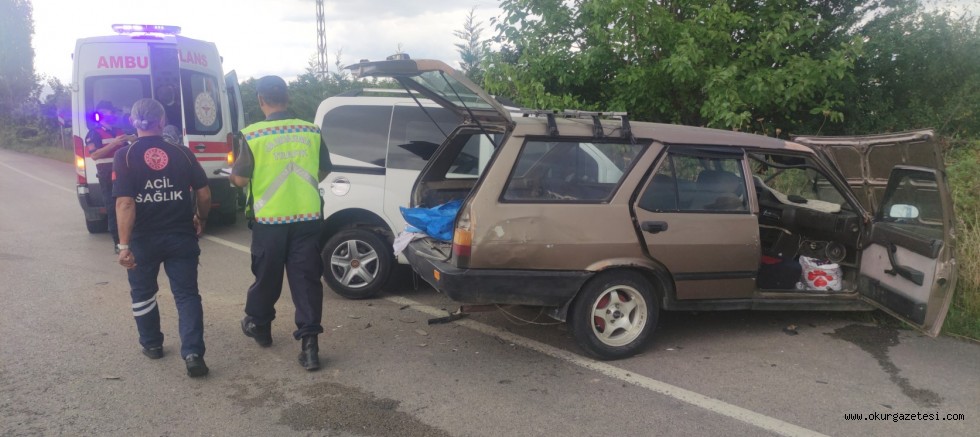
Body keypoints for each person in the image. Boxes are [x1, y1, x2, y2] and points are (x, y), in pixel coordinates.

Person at [230, 75, 332, 371]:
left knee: (267, 276)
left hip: (270, 220)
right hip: (308, 218)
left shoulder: (252, 135)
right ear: (288, 98)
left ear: (261, 100)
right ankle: (310, 347)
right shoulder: (311, 131)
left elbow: (240, 178)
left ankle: (260, 326)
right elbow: (324, 169)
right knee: (306, 280)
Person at [113, 98, 212, 378]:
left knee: (143, 292)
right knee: (187, 295)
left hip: (143, 240)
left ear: (134, 122)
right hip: (181, 236)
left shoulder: (126, 155)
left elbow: (125, 204)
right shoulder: (182, 153)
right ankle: (193, 354)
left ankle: (153, 345)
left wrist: (123, 246)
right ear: (162, 120)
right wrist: (201, 219)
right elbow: (204, 194)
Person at [85, 100, 135, 251]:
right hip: (107, 175)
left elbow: (129, 151)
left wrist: (132, 140)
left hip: (124, 174)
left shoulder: (120, 131)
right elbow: (95, 155)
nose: (109, 115)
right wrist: (114, 143)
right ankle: (118, 243)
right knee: (113, 209)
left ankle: (131, 239)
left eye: (110, 112)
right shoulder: (94, 133)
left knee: (129, 205)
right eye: (105, 112)